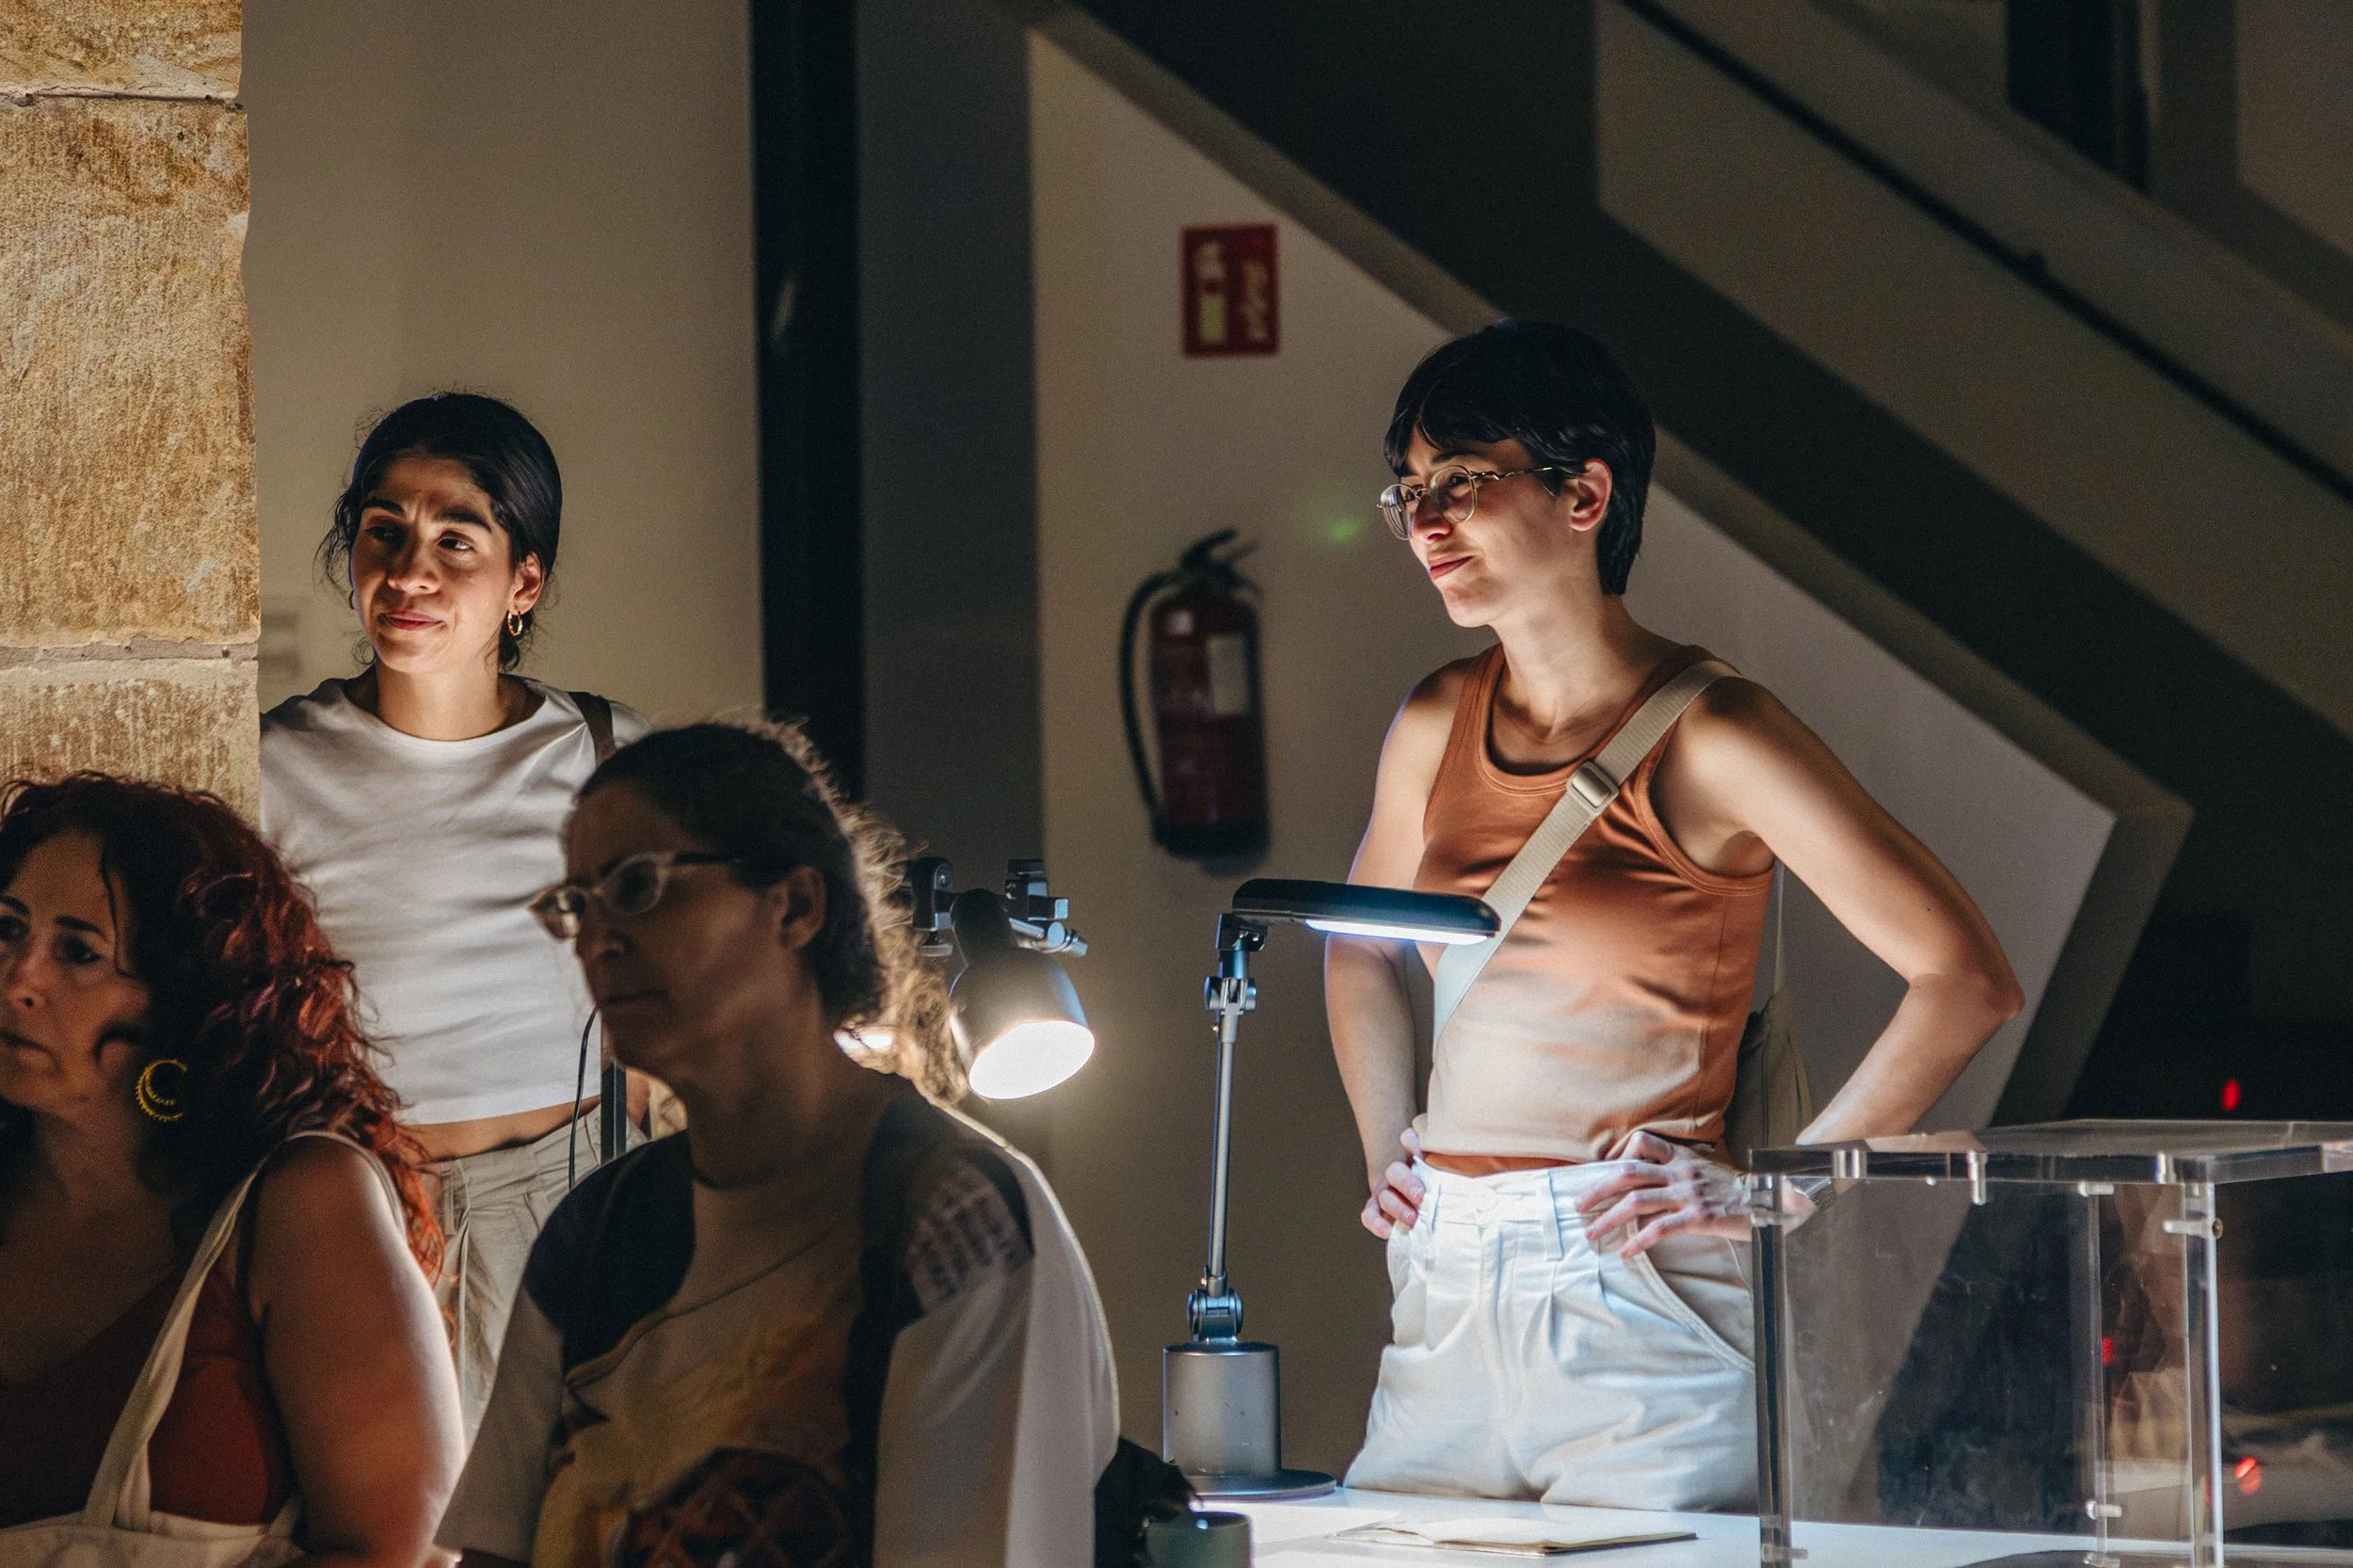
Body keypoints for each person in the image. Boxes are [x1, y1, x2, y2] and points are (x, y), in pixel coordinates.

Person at [1327, 321, 2024, 1508]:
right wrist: (1390, 1146)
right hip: (1446, 1272)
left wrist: (1775, 1188)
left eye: (1462, 481)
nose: (1426, 521)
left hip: (1634, 1291)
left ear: (1584, 494)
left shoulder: (1717, 732)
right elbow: (1357, 945)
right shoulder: (1437, 718)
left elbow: (1965, 980)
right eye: (1409, 492)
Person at [437, 722, 1119, 1568]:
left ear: (794, 905)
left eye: (637, 886)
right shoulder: (594, 1232)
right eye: (577, 904)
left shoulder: (955, 1219)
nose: (594, 940)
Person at [261, 392, 649, 1432]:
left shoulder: (611, 756)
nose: (408, 572)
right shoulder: (272, 767)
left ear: (525, 581)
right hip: (360, 1204)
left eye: (455, 539)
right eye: (382, 531)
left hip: (568, 1198)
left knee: (575, 1503)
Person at [0, 774, 462, 1564]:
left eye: (79, 952)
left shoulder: (299, 1201)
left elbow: (402, 1552)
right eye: (7, 929)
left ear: (186, 995)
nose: (18, 980)